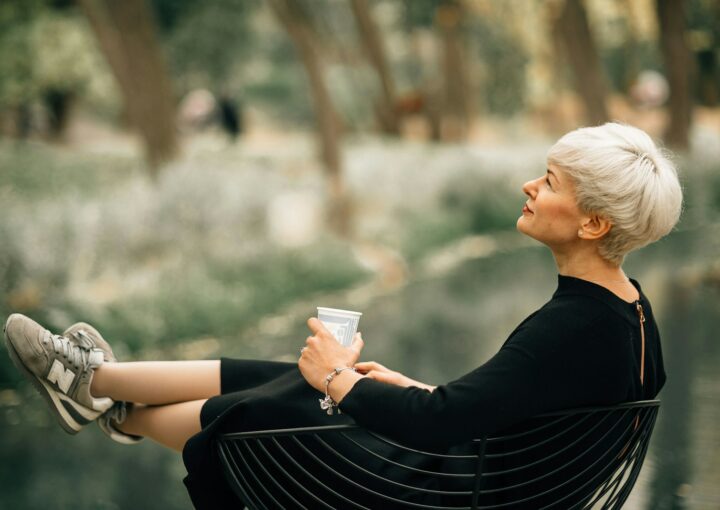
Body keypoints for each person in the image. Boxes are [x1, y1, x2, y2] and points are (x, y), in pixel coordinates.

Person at [4, 122, 682, 508]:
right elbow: (507, 410)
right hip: (476, 480)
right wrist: (397, 385)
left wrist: (339, 380)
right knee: (297, 378)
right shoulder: (626, 314)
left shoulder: (570, 327)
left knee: (290, 400)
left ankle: (103, 399)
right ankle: (100, 387)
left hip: (445, 499)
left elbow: (445, 424)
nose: (529, 186)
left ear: (593, 222)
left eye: (551, 182)